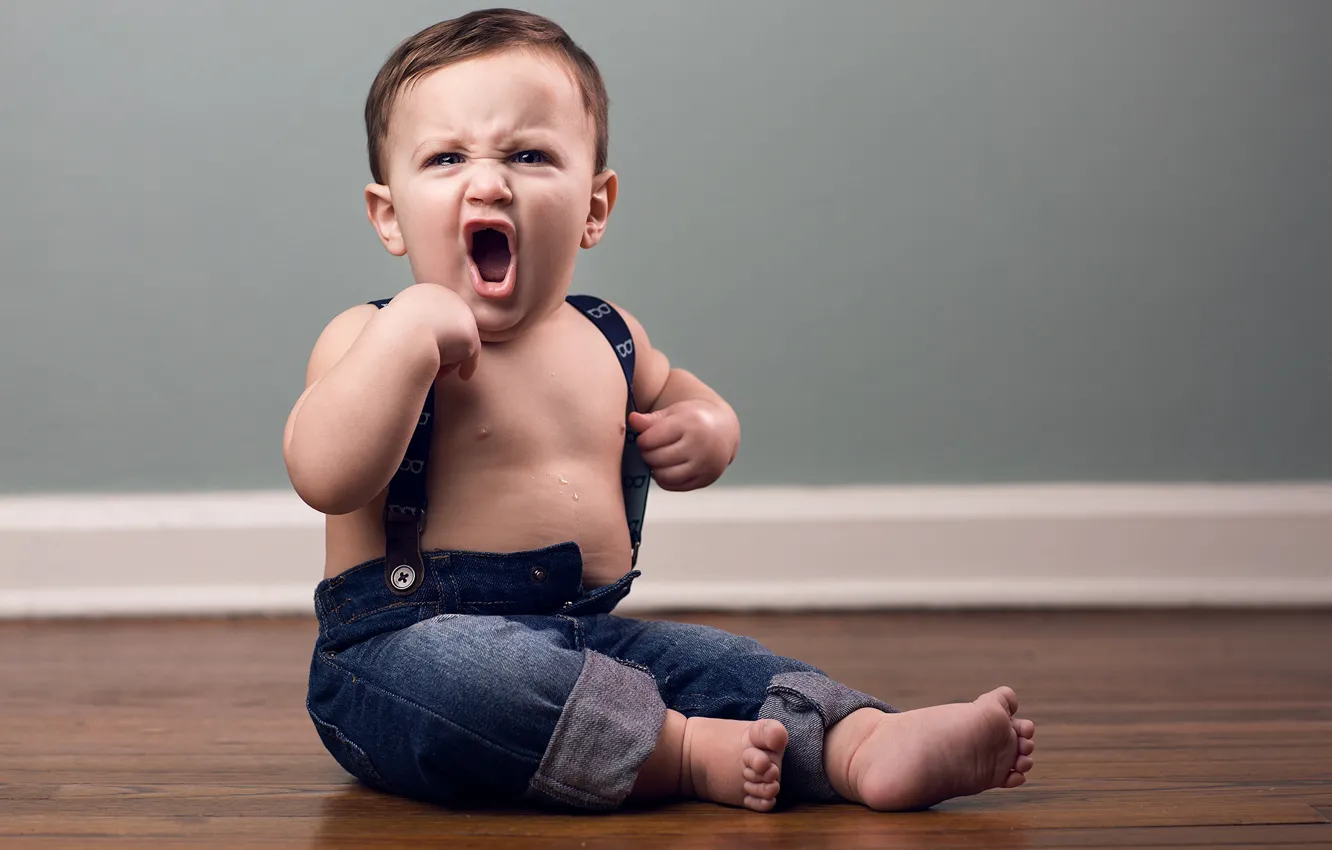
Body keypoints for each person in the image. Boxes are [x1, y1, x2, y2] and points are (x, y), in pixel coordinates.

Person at [286, 7, 1035, 813]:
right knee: (476, 680)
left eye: (530, 155)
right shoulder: (367, 336)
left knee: (714, 658)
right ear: (389, 214)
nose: (490, 180)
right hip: (397, 650)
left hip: (591, 634)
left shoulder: (609, 335)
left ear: (595, 207)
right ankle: (676, 751)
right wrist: (407, 340)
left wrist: (709, 428)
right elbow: (325, 474)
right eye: (446, 157)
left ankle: (862, 744)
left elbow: (681, 393)